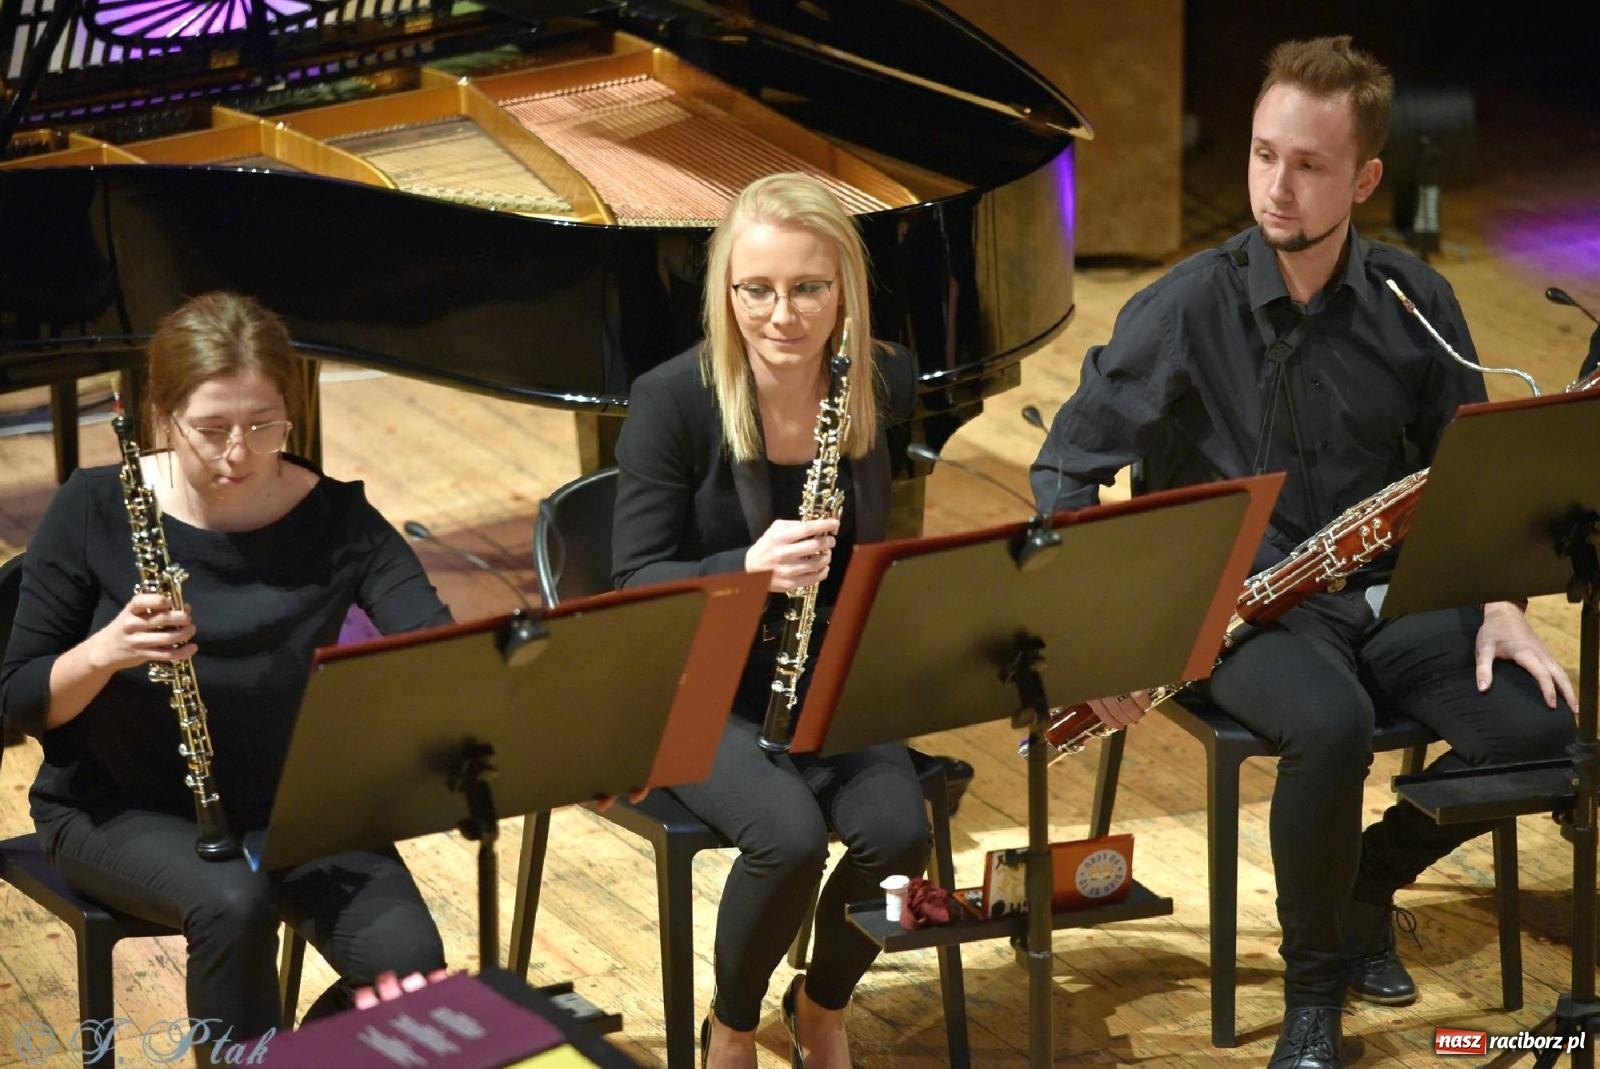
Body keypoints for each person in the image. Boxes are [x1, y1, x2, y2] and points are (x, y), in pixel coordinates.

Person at [1029, 36, 1576, 1069]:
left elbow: (1469, 477)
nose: (1275, 186)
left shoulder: (1415, 302)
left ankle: (1368, 881)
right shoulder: (1184, 306)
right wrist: (1100, 630)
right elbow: (1066, 468)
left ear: (1364, 178)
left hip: (1391, 592)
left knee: (1543, 733)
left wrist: (1504, 604)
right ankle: (1311, 994)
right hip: (1248, 608)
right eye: (1261, 154)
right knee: (1329, 723)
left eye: (1308, 163)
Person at [1, 293, 451, 1052]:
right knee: (233, 905)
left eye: (263, 425)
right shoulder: (92, 509)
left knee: (411, 970)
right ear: (163, 418)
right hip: (117, 807)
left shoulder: (335, 517)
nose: (238, 453)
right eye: (211, 430)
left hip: (295, 802)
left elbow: (437, 646)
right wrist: (107, 648)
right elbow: (16, 695)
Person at [612, 172, 928, 1069]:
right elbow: (632, 582)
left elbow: (879, 556)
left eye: (808, 288)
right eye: (756, 289)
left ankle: (821, 1003)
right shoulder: (673, 400)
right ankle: (734, 1023)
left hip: (826, 672)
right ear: (726, 292)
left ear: (845, 292)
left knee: (900, 836)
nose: (782, 314)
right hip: (697, 681)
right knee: (785, 840)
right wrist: (742, 569)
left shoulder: (880, 379)